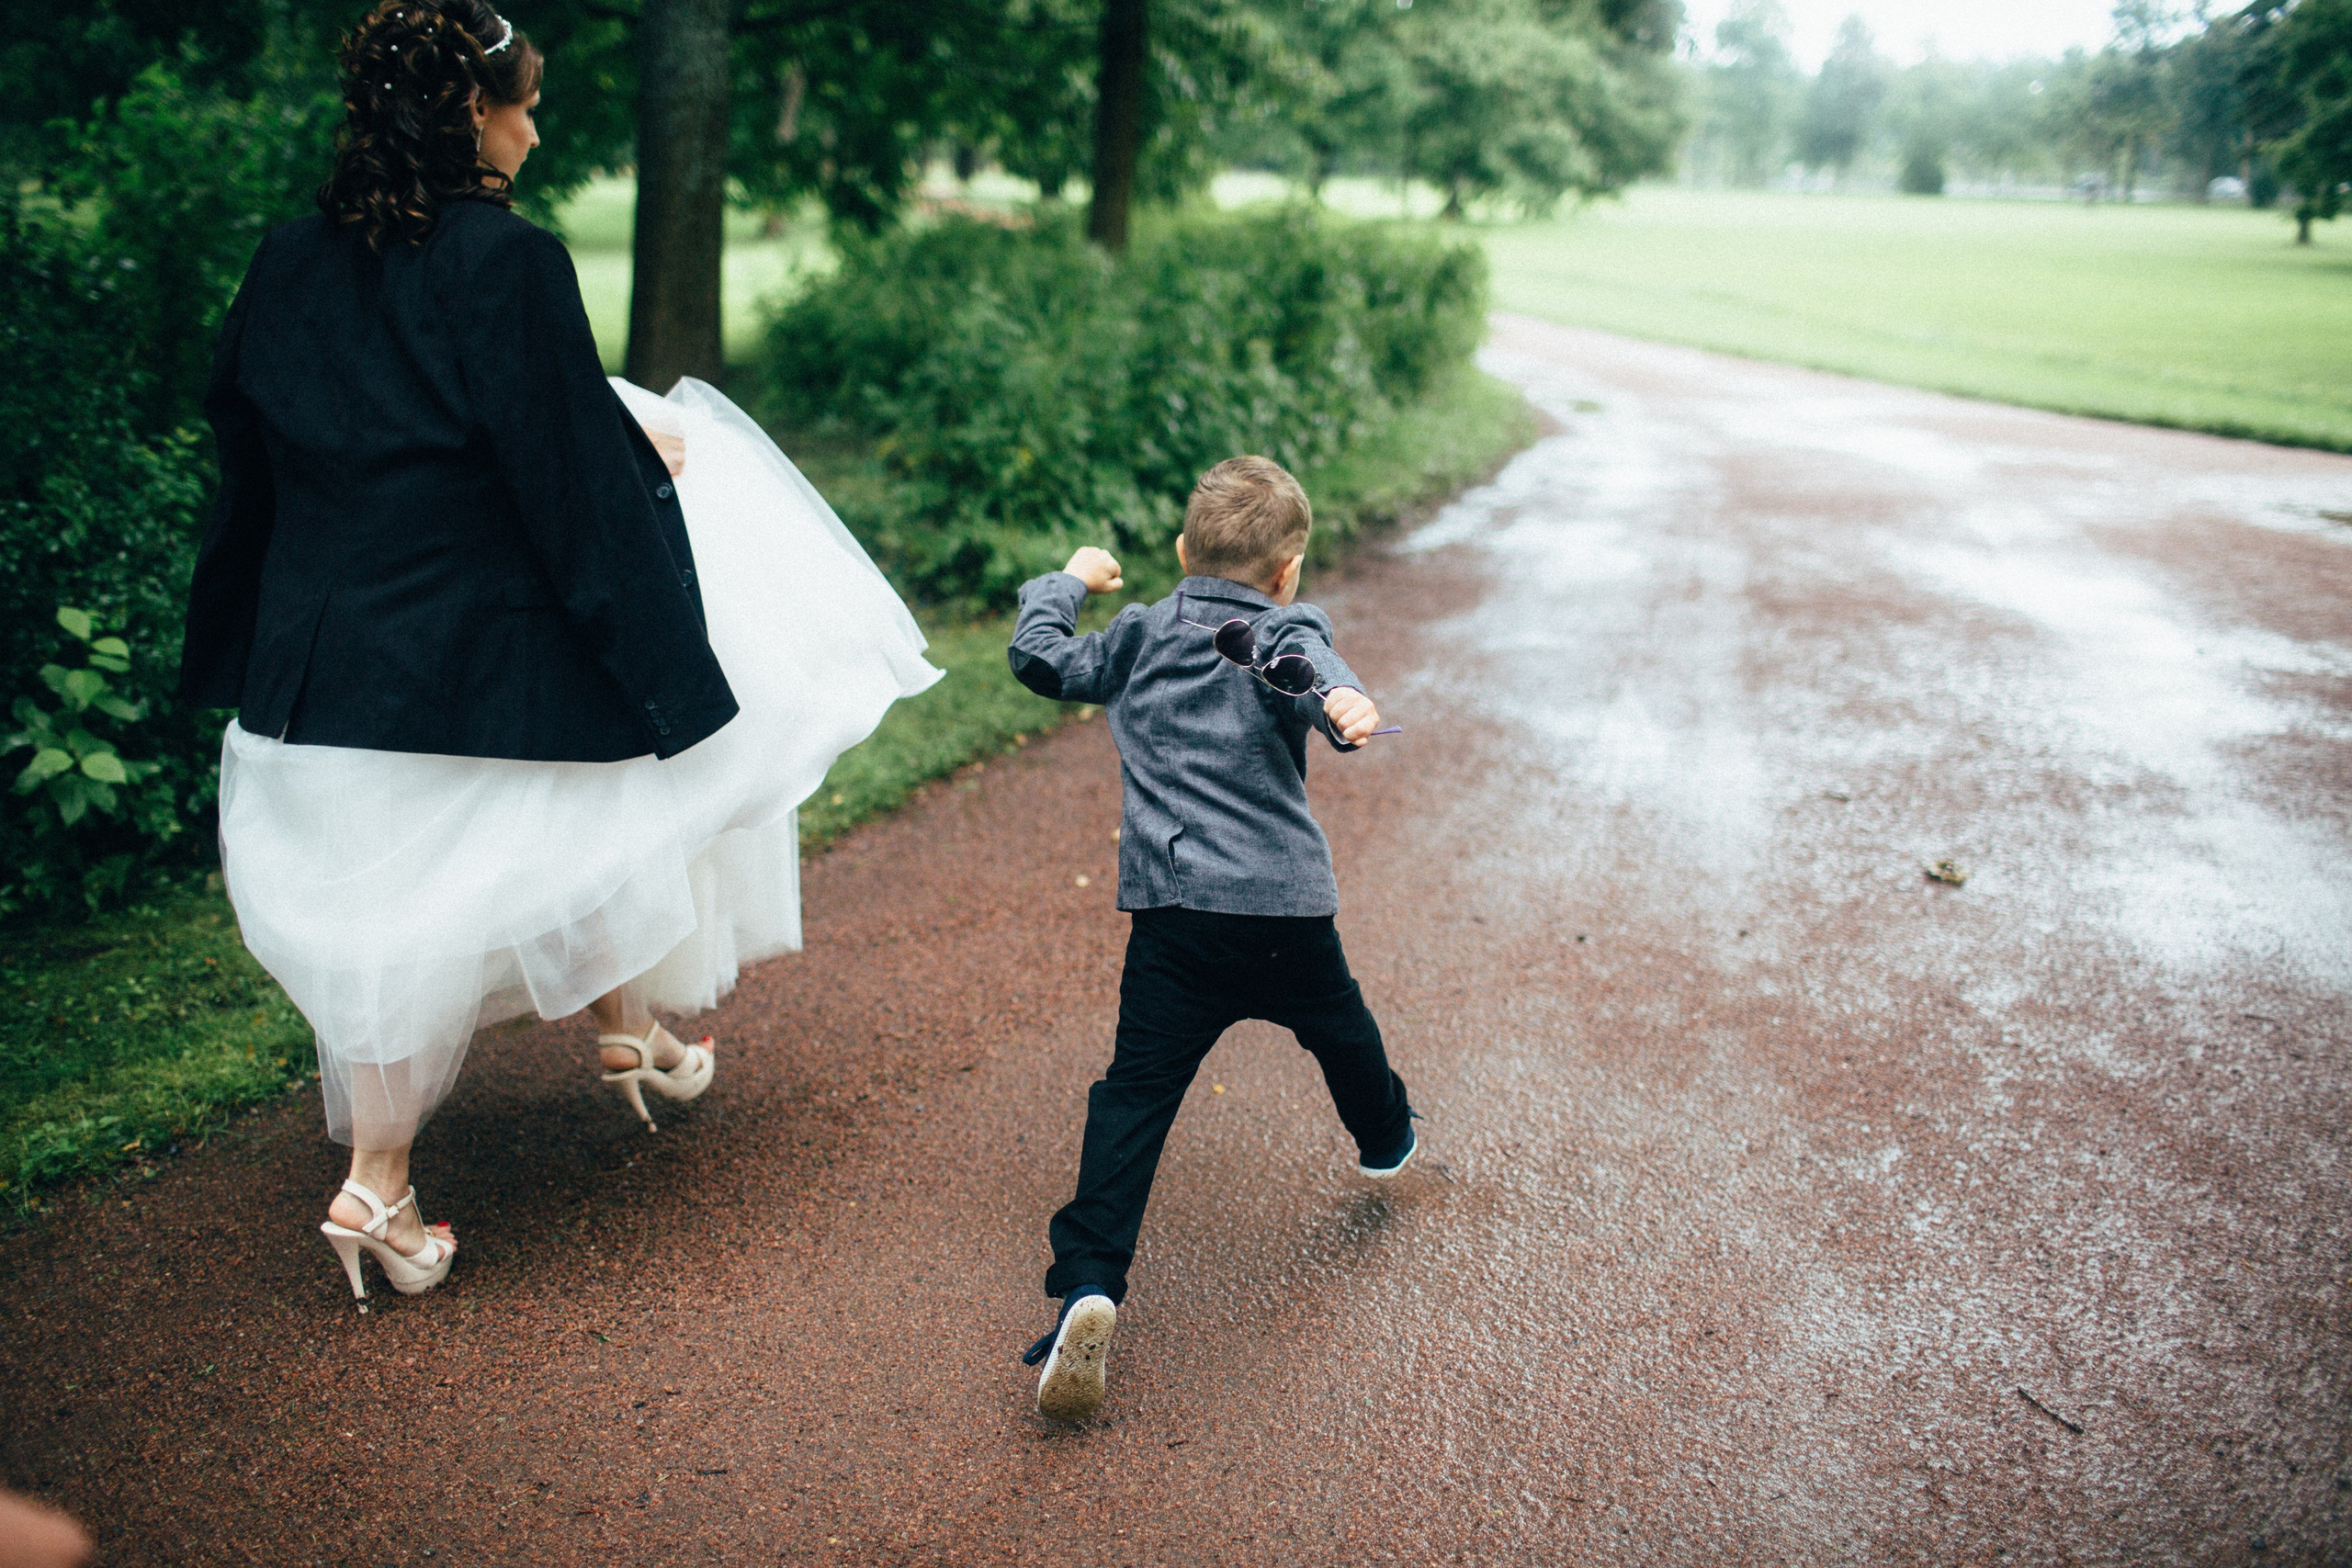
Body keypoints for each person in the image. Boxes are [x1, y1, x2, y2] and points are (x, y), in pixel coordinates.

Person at [178, 0, 938, 1301]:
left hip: (319, 668)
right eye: (524, 106)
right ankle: (382, 1178)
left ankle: (600, 1047)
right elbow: (559, 475)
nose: (534, 132)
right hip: (465, 670)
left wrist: (250, 632)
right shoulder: (510, 260)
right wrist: (668, 656)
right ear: (470, 115)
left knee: (406, 901)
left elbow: (256, 446)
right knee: (624, 779)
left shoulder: (287, 258)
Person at [1003, 456, 1417, 1423]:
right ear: (1286, 571)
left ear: (1184, 552)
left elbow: (1040, 659)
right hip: (1283, 915)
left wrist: (1067, 579)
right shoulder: (1280, 628)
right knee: (1343, 1033)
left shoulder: (1138, 635)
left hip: (1176, 916)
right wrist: (1343, 707)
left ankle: (1090, 1282)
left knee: (1134, 1095)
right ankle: (1387, 1138)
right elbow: (1309, 672)